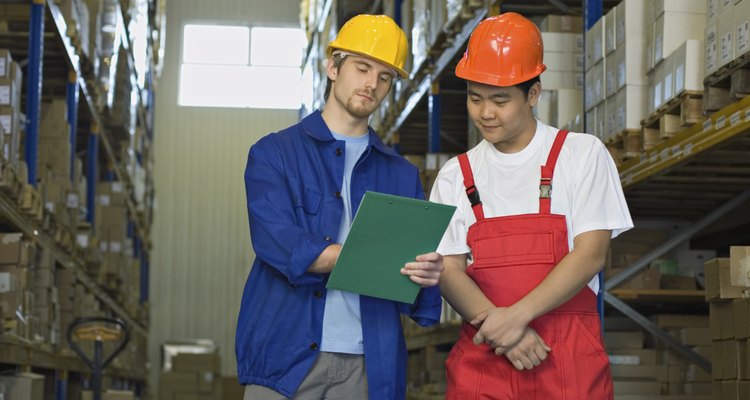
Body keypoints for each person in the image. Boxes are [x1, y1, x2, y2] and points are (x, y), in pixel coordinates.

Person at [235, 14, 444, 400]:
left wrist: (427, 271)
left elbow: (414, 286)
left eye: (385, 77)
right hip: (286, 357)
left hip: (370, 362)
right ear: (333, 67)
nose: (372, 84)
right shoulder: (274, 154)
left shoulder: (401, 174)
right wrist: (373, 260)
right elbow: (278, 243)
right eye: (362, 68)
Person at [429, 12, 633, 399]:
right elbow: (448, 268)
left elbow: (590, 254)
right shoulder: (456, 174)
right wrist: (504, 331)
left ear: (533, 94)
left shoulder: (581, 154)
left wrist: (516, 318)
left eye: (500, 100)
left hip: (568, 359)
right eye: (475, 98)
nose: (485, 113)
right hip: (483, 357)